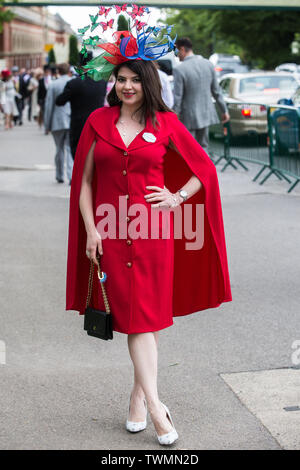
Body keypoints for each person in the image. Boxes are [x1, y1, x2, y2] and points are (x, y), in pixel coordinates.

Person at [66, 15, 231, 447]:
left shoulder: (166, 124)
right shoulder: (98, 124)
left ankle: (148, 403)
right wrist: (90, 231)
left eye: (134, 80)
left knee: (144, 320)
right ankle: (152, 404)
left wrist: (176, 199)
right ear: (114, 82)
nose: (126, 87)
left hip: (154, 235)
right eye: (120, 79)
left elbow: (205, 170)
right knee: (136, 319)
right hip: (110, 235)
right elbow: (82, 183)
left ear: (147, 81)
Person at [173, 37, 230, 153]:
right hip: (205, 113)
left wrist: (173, 115)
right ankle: (205, 171)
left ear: (182, 49)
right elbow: (216, 91)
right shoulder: (208, 64)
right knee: (203, 148)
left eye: (177, 52)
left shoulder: (180, 69)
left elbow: (178, 97)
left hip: (188, 117)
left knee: (188, 150)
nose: (177, 56)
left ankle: (192, 171)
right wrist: (224, 110)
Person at [55, 52, 107, 159]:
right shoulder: (102, 82)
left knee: (78, 158)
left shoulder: (74, 84)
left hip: (79, 127)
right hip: (99, 126)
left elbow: (59, 101)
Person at [44, 63, 73, 184]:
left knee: (59, 149)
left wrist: (47, 125)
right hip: (71, 119)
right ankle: (71, 175)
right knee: (69, 148)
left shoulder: (53, 85)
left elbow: (49, 105)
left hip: (57, 121)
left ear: (58, 72)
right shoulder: (73, 82)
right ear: (68, 71)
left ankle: (59, 175)